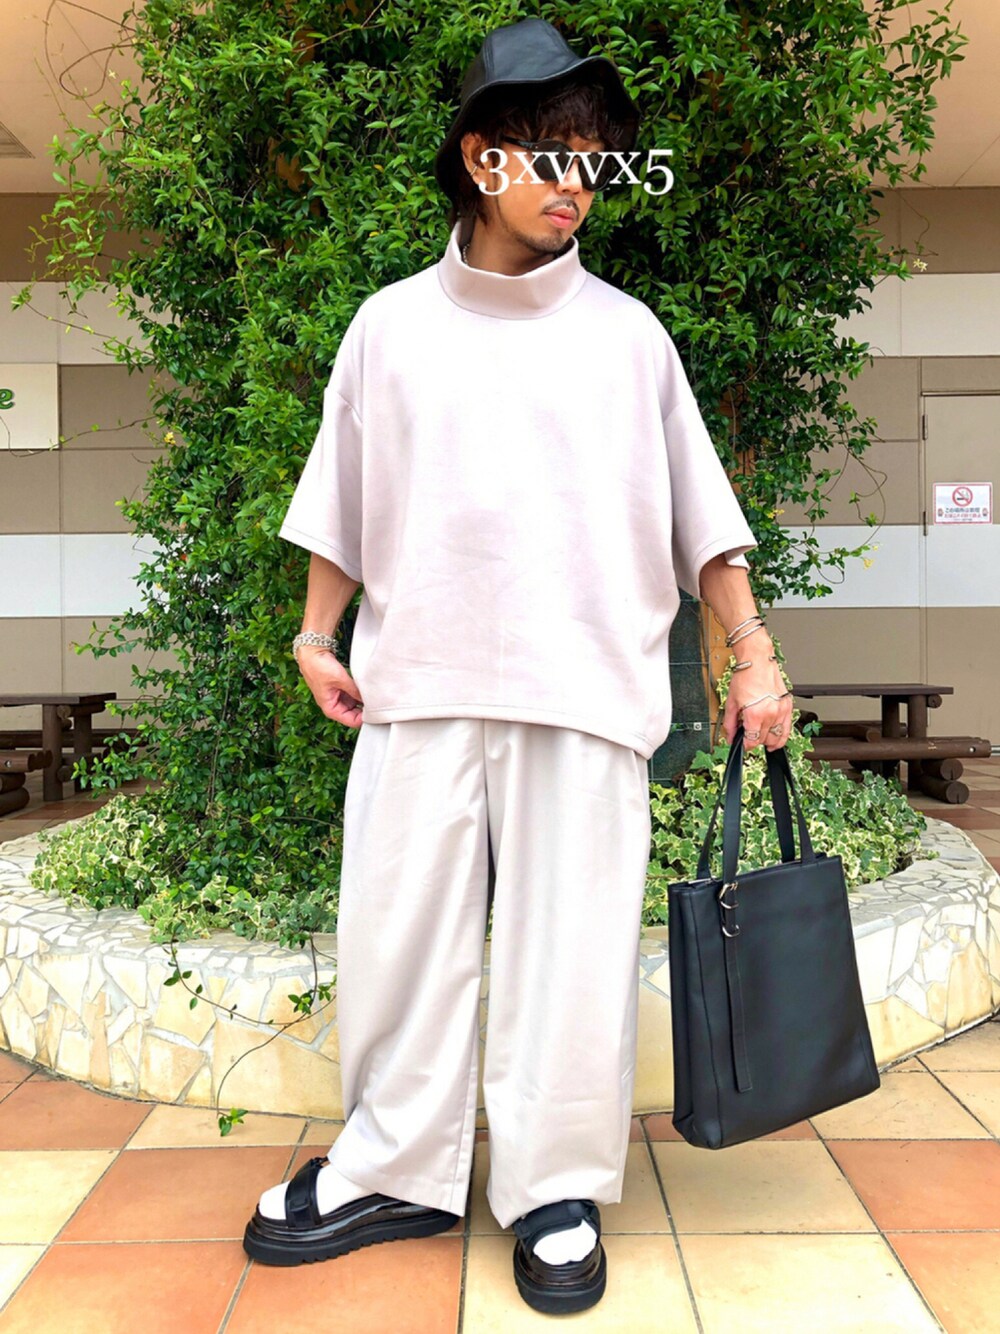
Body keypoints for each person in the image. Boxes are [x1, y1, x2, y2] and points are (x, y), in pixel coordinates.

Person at [242, 16, 793, 1317]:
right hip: (418, 687)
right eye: (547, 154)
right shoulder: (389, 328)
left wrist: (753, 652)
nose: (574, 183)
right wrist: (317, 634)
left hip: (582, 695)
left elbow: (703, 521)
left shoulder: (629, 338)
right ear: (480, 160)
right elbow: (343, 502)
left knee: (571, 954)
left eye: (591, 158)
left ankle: (553, 1188)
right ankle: (394, 1168)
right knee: (395, 942)